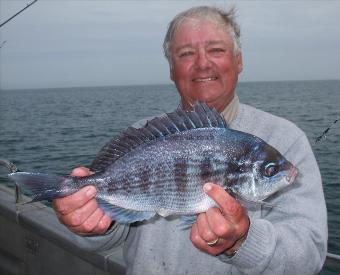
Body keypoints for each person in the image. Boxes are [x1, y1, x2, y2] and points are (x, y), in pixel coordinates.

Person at [52, 6, 327, 274]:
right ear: (172, 70)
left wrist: (243, 241)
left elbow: (309, 255)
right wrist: (90, 223)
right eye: (186, 54)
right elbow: (110, 234)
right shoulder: (140, 136)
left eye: (216, 50)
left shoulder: (287, 139)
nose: (203, 63)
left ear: (239, 61)